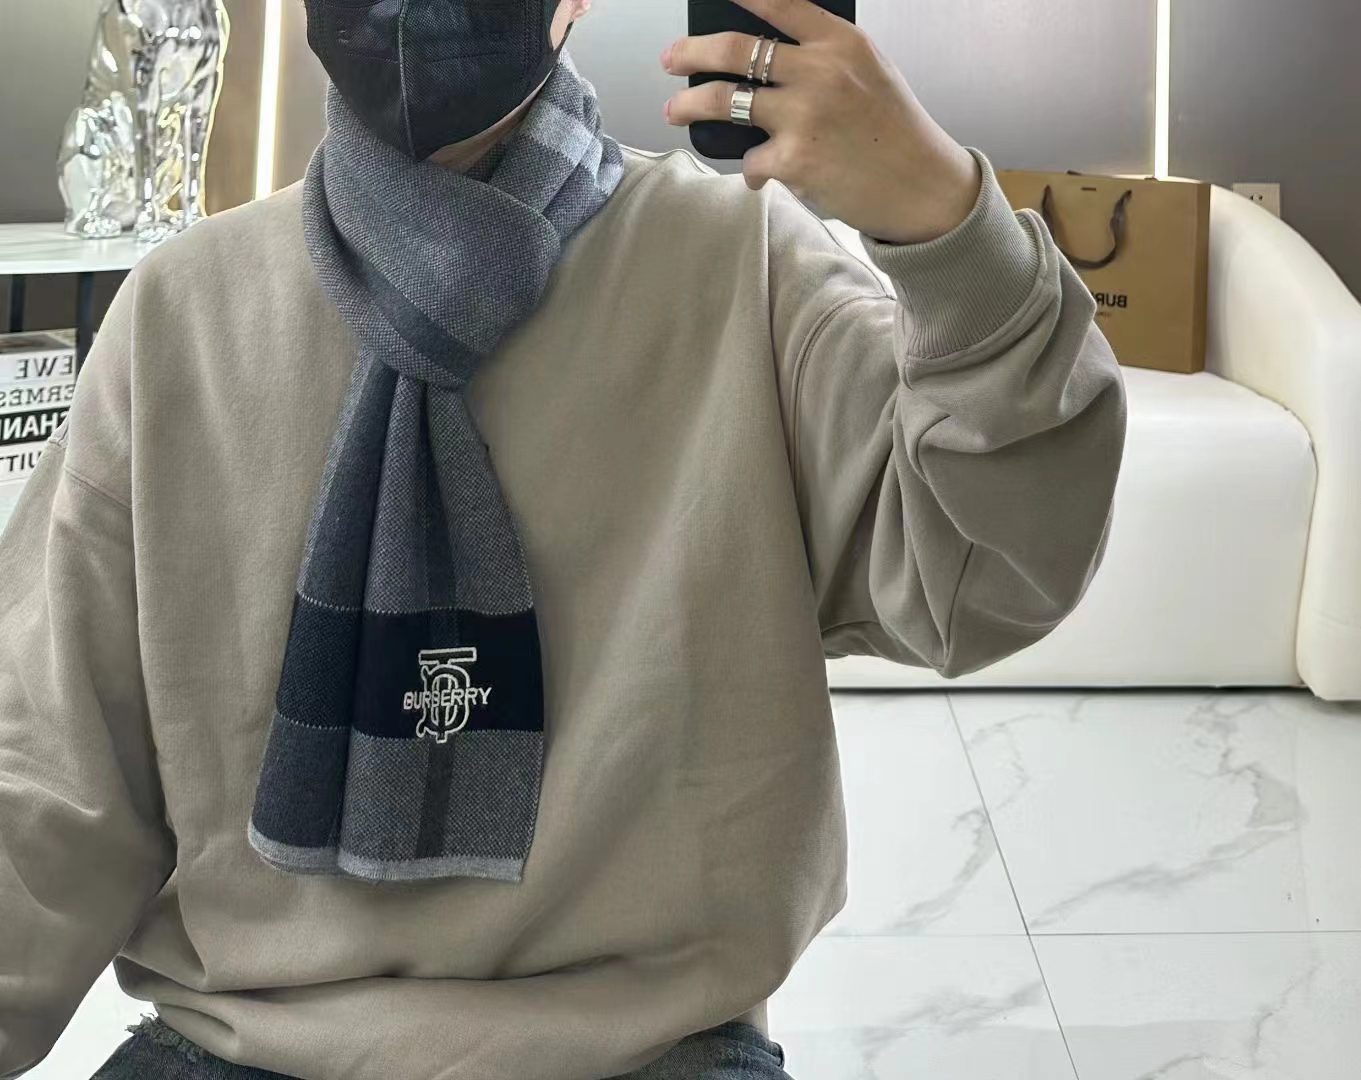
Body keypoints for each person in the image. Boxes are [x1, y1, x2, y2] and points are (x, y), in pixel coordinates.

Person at [0, 0, 1128, 1077]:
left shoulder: (742, 265)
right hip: (241, 1045)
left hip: (652, 1049)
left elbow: (980, 581)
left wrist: (944, 227)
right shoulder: (187, 310)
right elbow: (46, 769)